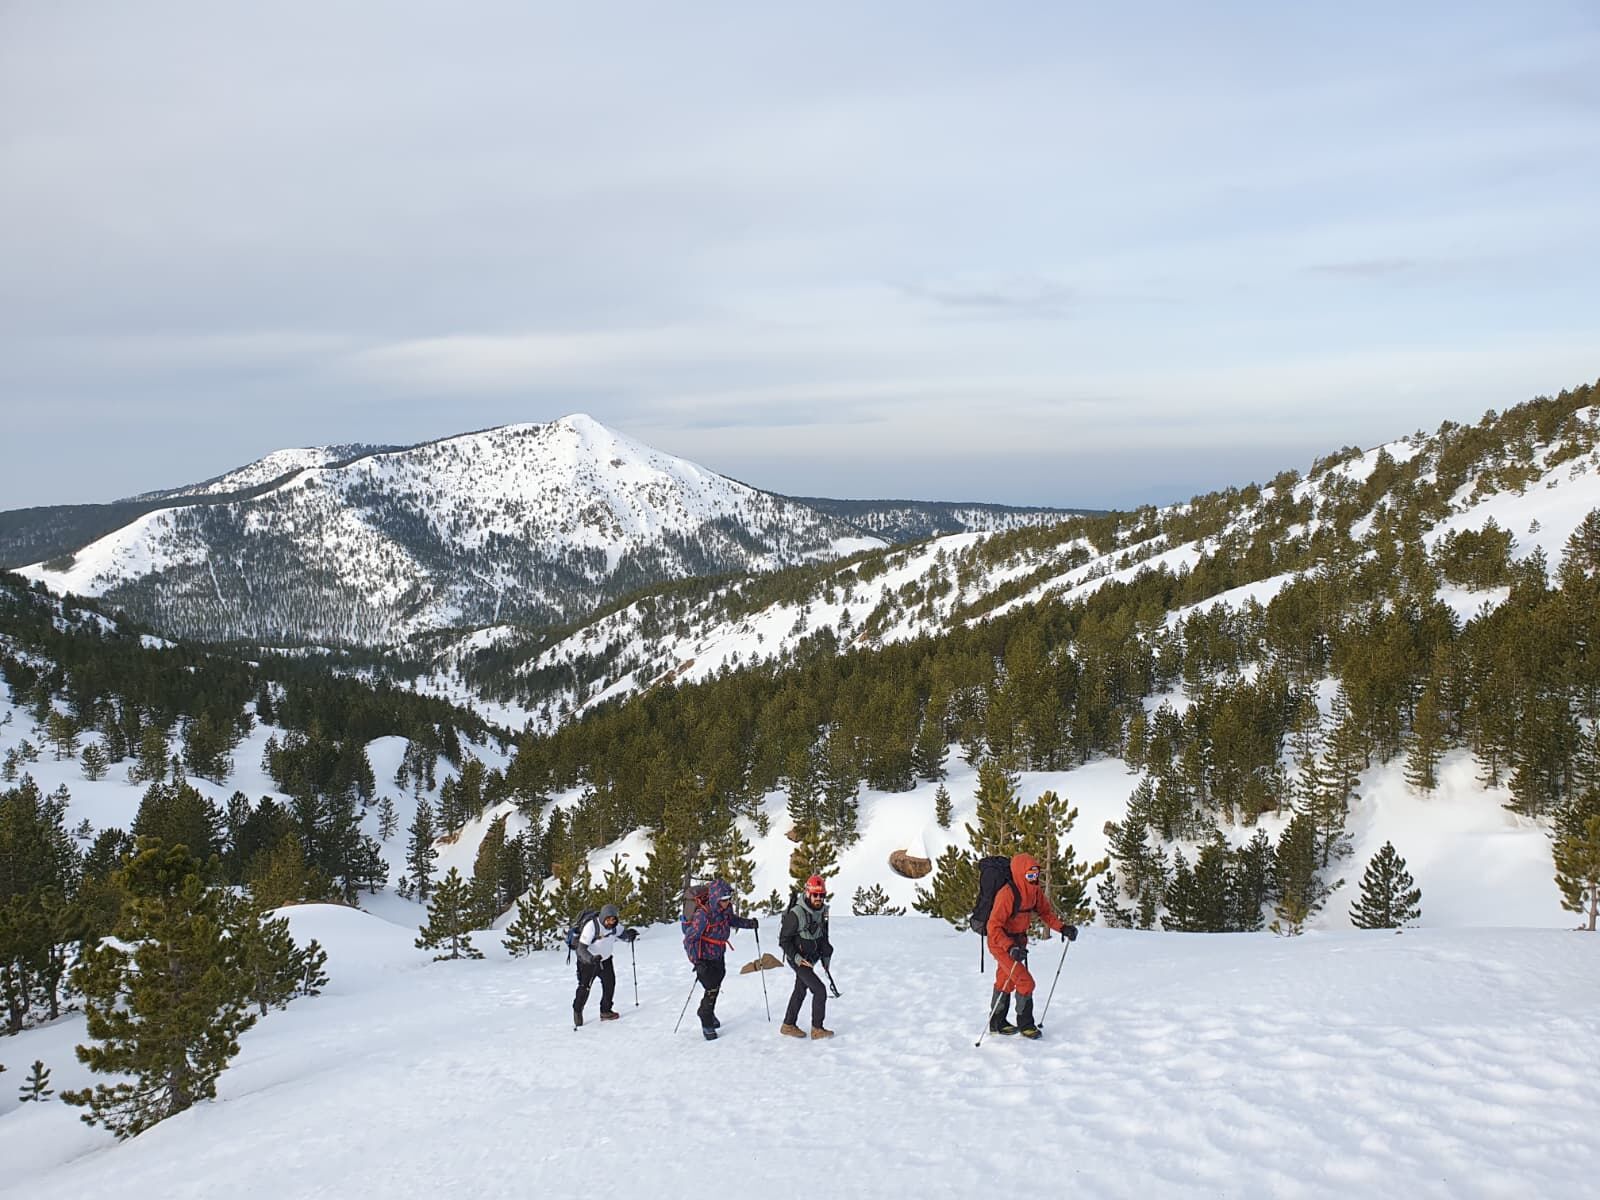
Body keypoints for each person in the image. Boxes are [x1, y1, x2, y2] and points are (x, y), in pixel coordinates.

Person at [986, 852, 1077, 1039]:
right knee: (1025, 982)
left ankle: (997, 1023)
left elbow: (1045, 913)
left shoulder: (1034, 891)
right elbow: (993, 927)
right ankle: (1026, 1025)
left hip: (1017, 943)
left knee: (1006, 981)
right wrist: (1009, 946)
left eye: (1036, 875)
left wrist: (1063, 928)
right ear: (1020, 873)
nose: (1034, 879)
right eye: (1029, 875)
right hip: (1000, 943)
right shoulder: (1007, 894)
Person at [680, 878, 758, 1040]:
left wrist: (749, 924)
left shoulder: (725, 909)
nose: (727, 902)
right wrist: (697, 962)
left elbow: (732, 920)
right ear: (716, 898)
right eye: (724, 900)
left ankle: (708, 1012)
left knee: (717, 981)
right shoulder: (703, 914)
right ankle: (706, 1017)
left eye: (728, 899)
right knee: (712, 986)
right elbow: (690, 939)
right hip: (704, 957)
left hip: (718, 953)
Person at [778, 874, 835, 1040]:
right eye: (815, 894)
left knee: (800, 989)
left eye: (821, 895)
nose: (818, 898)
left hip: (811, 957)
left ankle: (788, 1025)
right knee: (820, 990)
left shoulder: (823, 912)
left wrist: (825, 960)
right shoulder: (796, 914)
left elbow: (824, 936)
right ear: (808, 893)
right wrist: (796, 958)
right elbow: (783, 940)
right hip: (798, 958)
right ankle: (817, 1029)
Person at [573, 903, 637, 1027]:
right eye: (608, 919)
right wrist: (591, 959)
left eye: (613, 919)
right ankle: (577, 1010)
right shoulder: (591, 926)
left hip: (606, 960)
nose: (610, 922)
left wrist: (629, 936)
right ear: (603, 917)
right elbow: (581, 948)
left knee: (610, 984)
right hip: (588, 963)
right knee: (584, 988)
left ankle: (606, 1011)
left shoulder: (615, 927)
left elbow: (622, 934)